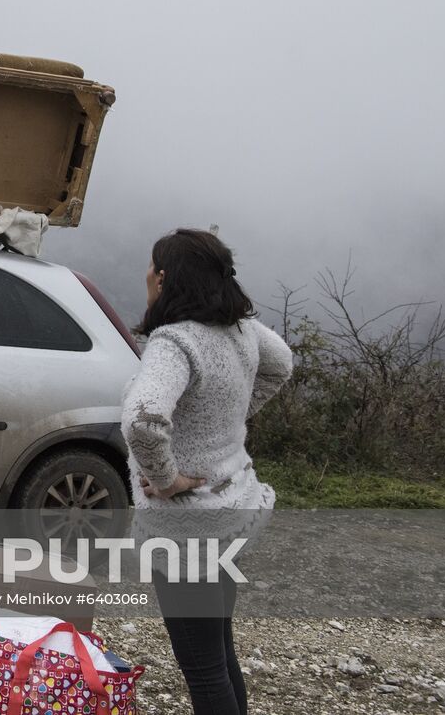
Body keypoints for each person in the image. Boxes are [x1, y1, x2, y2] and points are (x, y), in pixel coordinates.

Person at [121, 228, 292, 715]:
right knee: (219, 654)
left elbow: (142, 420)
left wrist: (168, 478)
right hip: (231, 508)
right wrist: (231, 419)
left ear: (165, 276)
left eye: (152, 265)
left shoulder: (174, 342)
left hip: (186, 526)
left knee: (203, 669)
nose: (146, 274)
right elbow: (281, 364)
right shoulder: (240, 329)